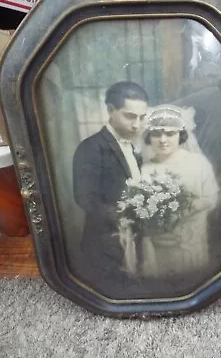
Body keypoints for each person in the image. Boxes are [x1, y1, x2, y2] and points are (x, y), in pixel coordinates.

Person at [122, 104, 220, 279]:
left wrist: (181, 212)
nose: (163, 140)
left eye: (170, 133)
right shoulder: (144, 169)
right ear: (149, 137)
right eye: (156, 134)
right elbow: (138, 211)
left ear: (181, 135)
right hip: (157, 246)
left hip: (190, 243)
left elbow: (211, 198)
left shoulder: (198, 164)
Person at [72, 81, 148, 295]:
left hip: (133, 236)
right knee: (112, 292)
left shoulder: (132, 146)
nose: (137, 125)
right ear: (110, 111)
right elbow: (84, 198)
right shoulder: (91, 148)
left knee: (135, 285)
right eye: (130, 116)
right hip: (105, 240)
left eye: (142, 117)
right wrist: (122, 217)